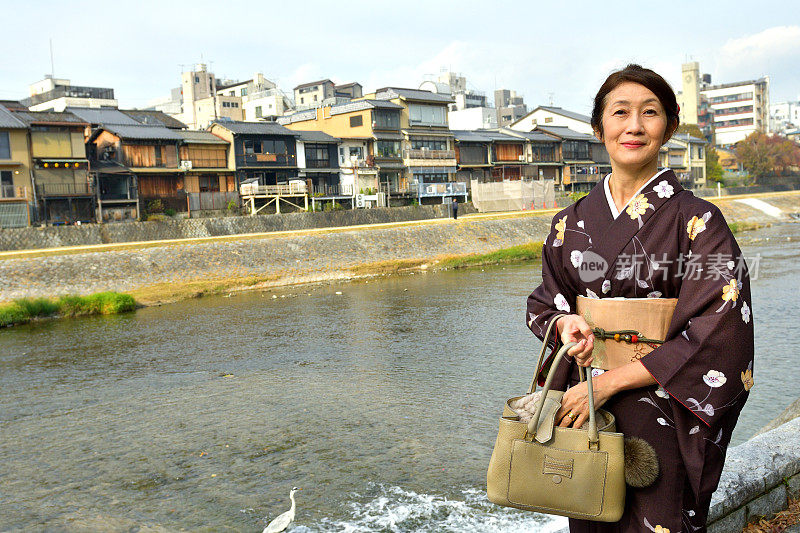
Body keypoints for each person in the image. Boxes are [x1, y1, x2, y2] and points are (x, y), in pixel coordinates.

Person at [526, 64, 754, 533]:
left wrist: (614, 382)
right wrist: (565, 325)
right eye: (620, 113)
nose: (633, 126)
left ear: (668, 126)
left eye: (649, 113)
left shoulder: (699, 221)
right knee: (589, 517)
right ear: (599, 127)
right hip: (584, 403)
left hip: (662, 403)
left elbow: (720, 329)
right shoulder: (569, 223)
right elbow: (548, 301)